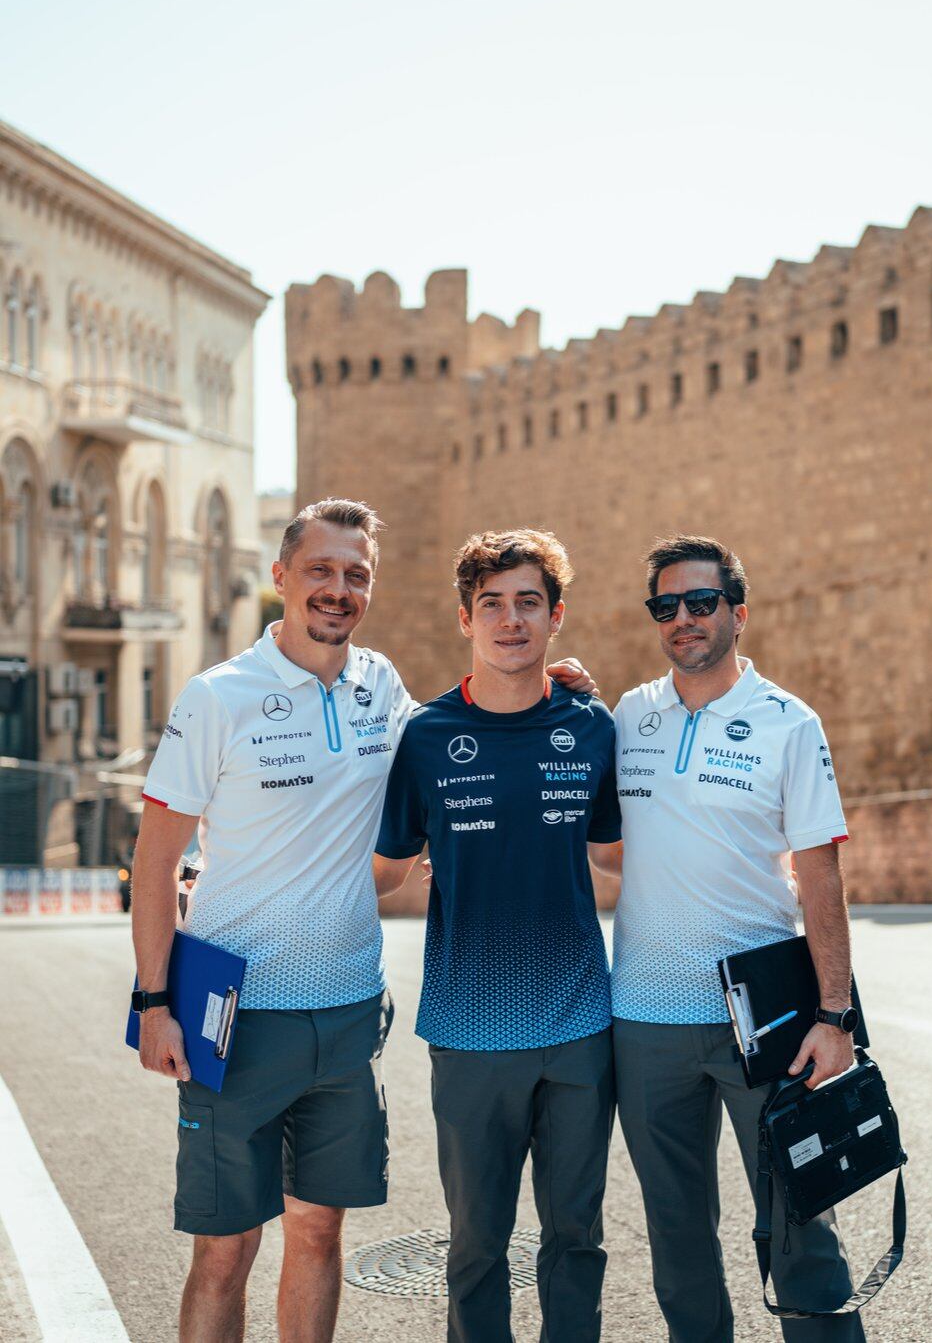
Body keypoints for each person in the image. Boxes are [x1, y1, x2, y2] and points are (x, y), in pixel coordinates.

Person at [131, 499, 595, 1343]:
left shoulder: (382, 689)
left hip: (349, 1014)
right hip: (231, 1014)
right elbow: (155, 862)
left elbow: (472, 718)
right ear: (280, 576)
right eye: (320, 571)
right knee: (224, 1250)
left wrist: (550, 681)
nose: (337, 590)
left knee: (319, 1232)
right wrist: (155, 1003)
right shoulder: (216, 698)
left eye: (356, 575)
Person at [592, 533, 866, 1343]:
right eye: (666, 606)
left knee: (800, 1225)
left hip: (768, 1018)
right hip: (643, 1020)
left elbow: (820, 878)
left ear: (737, 614)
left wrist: (835, 1015)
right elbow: (606, 850)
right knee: (677, 1239)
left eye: (701, 602)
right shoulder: (627, 717)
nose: (684, 618)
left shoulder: (789, 722)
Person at [373, 529, 622, 1343]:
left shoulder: (592, 726)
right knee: (477, 1248)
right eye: (492, 605)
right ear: (464, 619)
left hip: (582, 1029)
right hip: (469, 1034)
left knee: (576, 1240)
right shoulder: (426, 737)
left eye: (528, 603)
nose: (510, 621)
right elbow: (382, 869)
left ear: (556, 618)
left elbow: (621, 855)